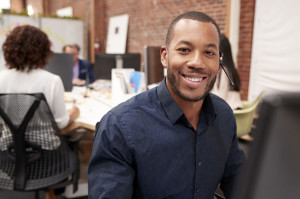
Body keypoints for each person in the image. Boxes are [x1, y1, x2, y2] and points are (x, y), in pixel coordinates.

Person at [88, 11, 246, 199]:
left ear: (218, 63)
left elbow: (241, 184)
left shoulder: (223, 115)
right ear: (164, 56)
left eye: (209, 53)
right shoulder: (119, 127)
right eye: (184, 50)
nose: (197, 62)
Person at [0, 25, 80, 199]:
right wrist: (74, 111)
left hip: (9, 157)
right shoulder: (51, 81)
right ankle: (56, 192)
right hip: (47, 159)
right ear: (44, 51)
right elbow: (61, 123)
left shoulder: (1, 78)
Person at [210, 34, 243, 110]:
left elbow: (221, 98)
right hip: (235, 111)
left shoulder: (224, 71)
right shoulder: (230, 68)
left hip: (230, 112)